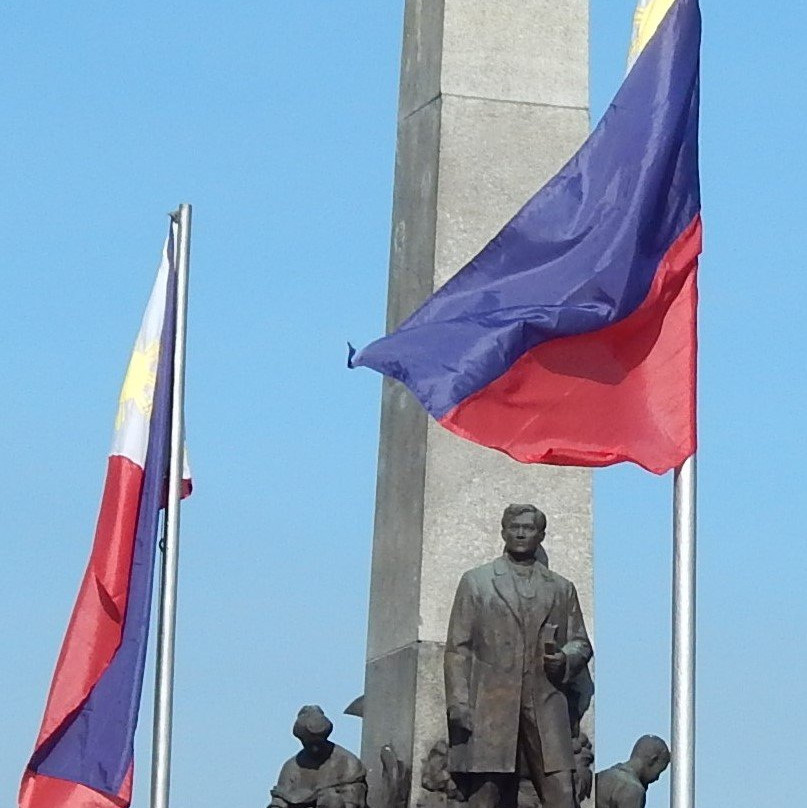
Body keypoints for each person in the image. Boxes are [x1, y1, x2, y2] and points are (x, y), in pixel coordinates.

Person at [444, 504, 593, 808]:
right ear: (503, 532)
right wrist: (458, 702)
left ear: (541, 535)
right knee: (486, 794)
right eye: (514, 527)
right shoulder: (477, 581)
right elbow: (459, 647)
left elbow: (580, 642)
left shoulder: (561, 588)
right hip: (491, 704)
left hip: (546, 702)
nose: (521, 533)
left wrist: (564, 659)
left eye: (528, 528)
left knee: (563, 793)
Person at [269, 705, 367, 808]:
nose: (315, 749)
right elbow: (279, 800)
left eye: (318, 743)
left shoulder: (348, 763)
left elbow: (353, 802)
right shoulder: (291, 767)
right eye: (309, 744)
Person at [595, 735, 670, 808]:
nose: (657, 778)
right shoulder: (634, 790)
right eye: (659, 772)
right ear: (653, 759)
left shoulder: (600, 776)